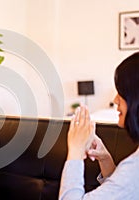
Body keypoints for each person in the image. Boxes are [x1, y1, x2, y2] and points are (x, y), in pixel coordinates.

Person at [59, 51, 139, 199]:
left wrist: (75, 150)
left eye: (121, 92)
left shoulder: (135, 170)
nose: (115, 100)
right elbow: (122, 192)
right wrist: (105, 159)